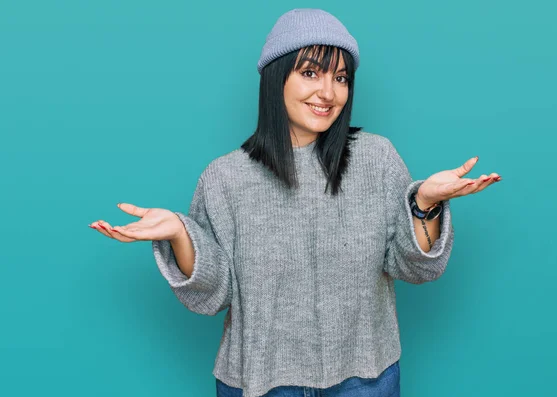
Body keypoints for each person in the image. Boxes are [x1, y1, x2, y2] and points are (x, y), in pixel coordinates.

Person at [89, 8, 500, 397]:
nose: (328, 92)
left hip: (365, 378)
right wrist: (181, 233)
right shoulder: (225, 178)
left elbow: (413, 267)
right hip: (260, 381)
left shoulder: (376, 159)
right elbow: (212, 295)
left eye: (341, 78)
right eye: (310, 73)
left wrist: (423, 202)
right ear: (276, 79)